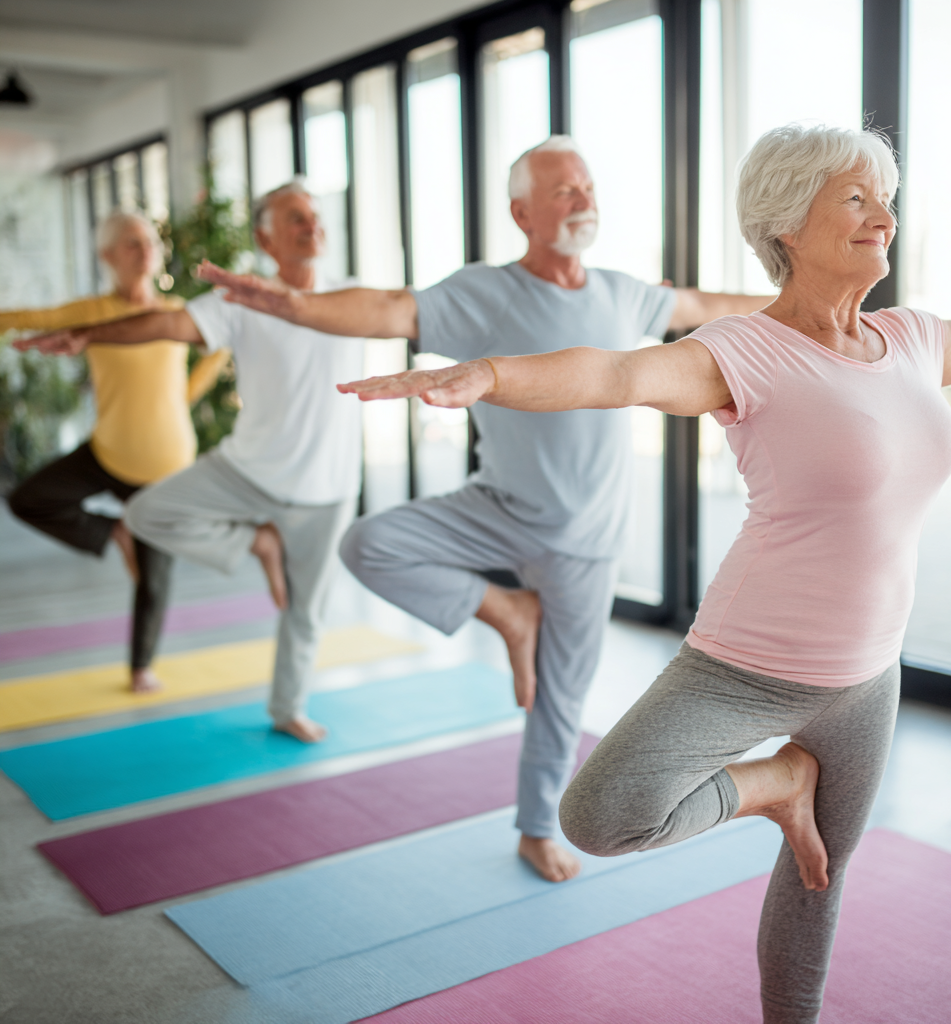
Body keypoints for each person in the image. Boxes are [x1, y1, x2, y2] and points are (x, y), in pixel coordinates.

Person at [317, 123, 951, 1021]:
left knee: (820, 879)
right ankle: (776, 785)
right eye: (855, 198)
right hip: (747, 665)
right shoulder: (748, 353)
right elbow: (614, 371)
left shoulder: (916, 340)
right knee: (602, 817)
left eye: (884, 197)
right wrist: (490, 374)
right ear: (787, 226)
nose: (882, 216)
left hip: (867, 676)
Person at [192, 135, 769, 882]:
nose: (583, 201)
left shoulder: (626, 292)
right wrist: (298, 305)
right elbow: (390, 309)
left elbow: (710, 305)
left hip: (588, 539)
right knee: (369, 544)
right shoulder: (485, 292)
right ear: (521, 212)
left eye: (588, 187)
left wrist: (814, 301)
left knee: (561, 702)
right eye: (564, 191)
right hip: (497, 506)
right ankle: (506, 613)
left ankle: (536, 828)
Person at [16, 182, 364, 743]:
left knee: (305, 612)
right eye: (295, 217)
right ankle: (259, 542)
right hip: (247, 471)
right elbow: (164, 324)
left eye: (315, 216)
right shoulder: (241, 299)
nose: (311, 225)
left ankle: (288, 708)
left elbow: (410, 311)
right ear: (265, 237)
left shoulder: (353, 295)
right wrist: (87, 336)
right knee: (147, 515)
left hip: (330, 485)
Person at [2, 211, 230, 692]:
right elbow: (28, 319)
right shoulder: (92, 313)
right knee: (27, 498)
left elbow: (221, 345)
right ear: (107, 256)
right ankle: (114, 532)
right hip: (106, 453)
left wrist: (182, 396)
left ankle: (140, 666)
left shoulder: (175, 312)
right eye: (130, 242)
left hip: (166, 463)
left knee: (154, 577)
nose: (144, 248)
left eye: (148, 240)